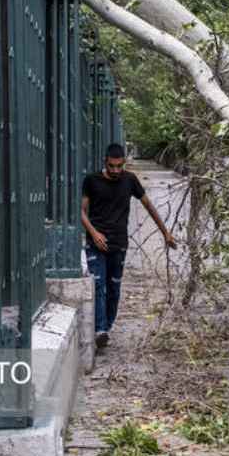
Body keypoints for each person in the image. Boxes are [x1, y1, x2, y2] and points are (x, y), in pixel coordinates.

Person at [81, 143, 176, 350]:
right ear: (105, 162)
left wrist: (165, 232)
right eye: (111, 166)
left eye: (119, 166)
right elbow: (81, 211)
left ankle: (106, 326)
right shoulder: (91, 180)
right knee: (98, 285)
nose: (115, 170)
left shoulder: (129, 180)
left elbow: (148, 205)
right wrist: (94, 233)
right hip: (96, 244)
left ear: (123, 163)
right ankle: (100, 330)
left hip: (119, 244)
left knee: (114, 288)